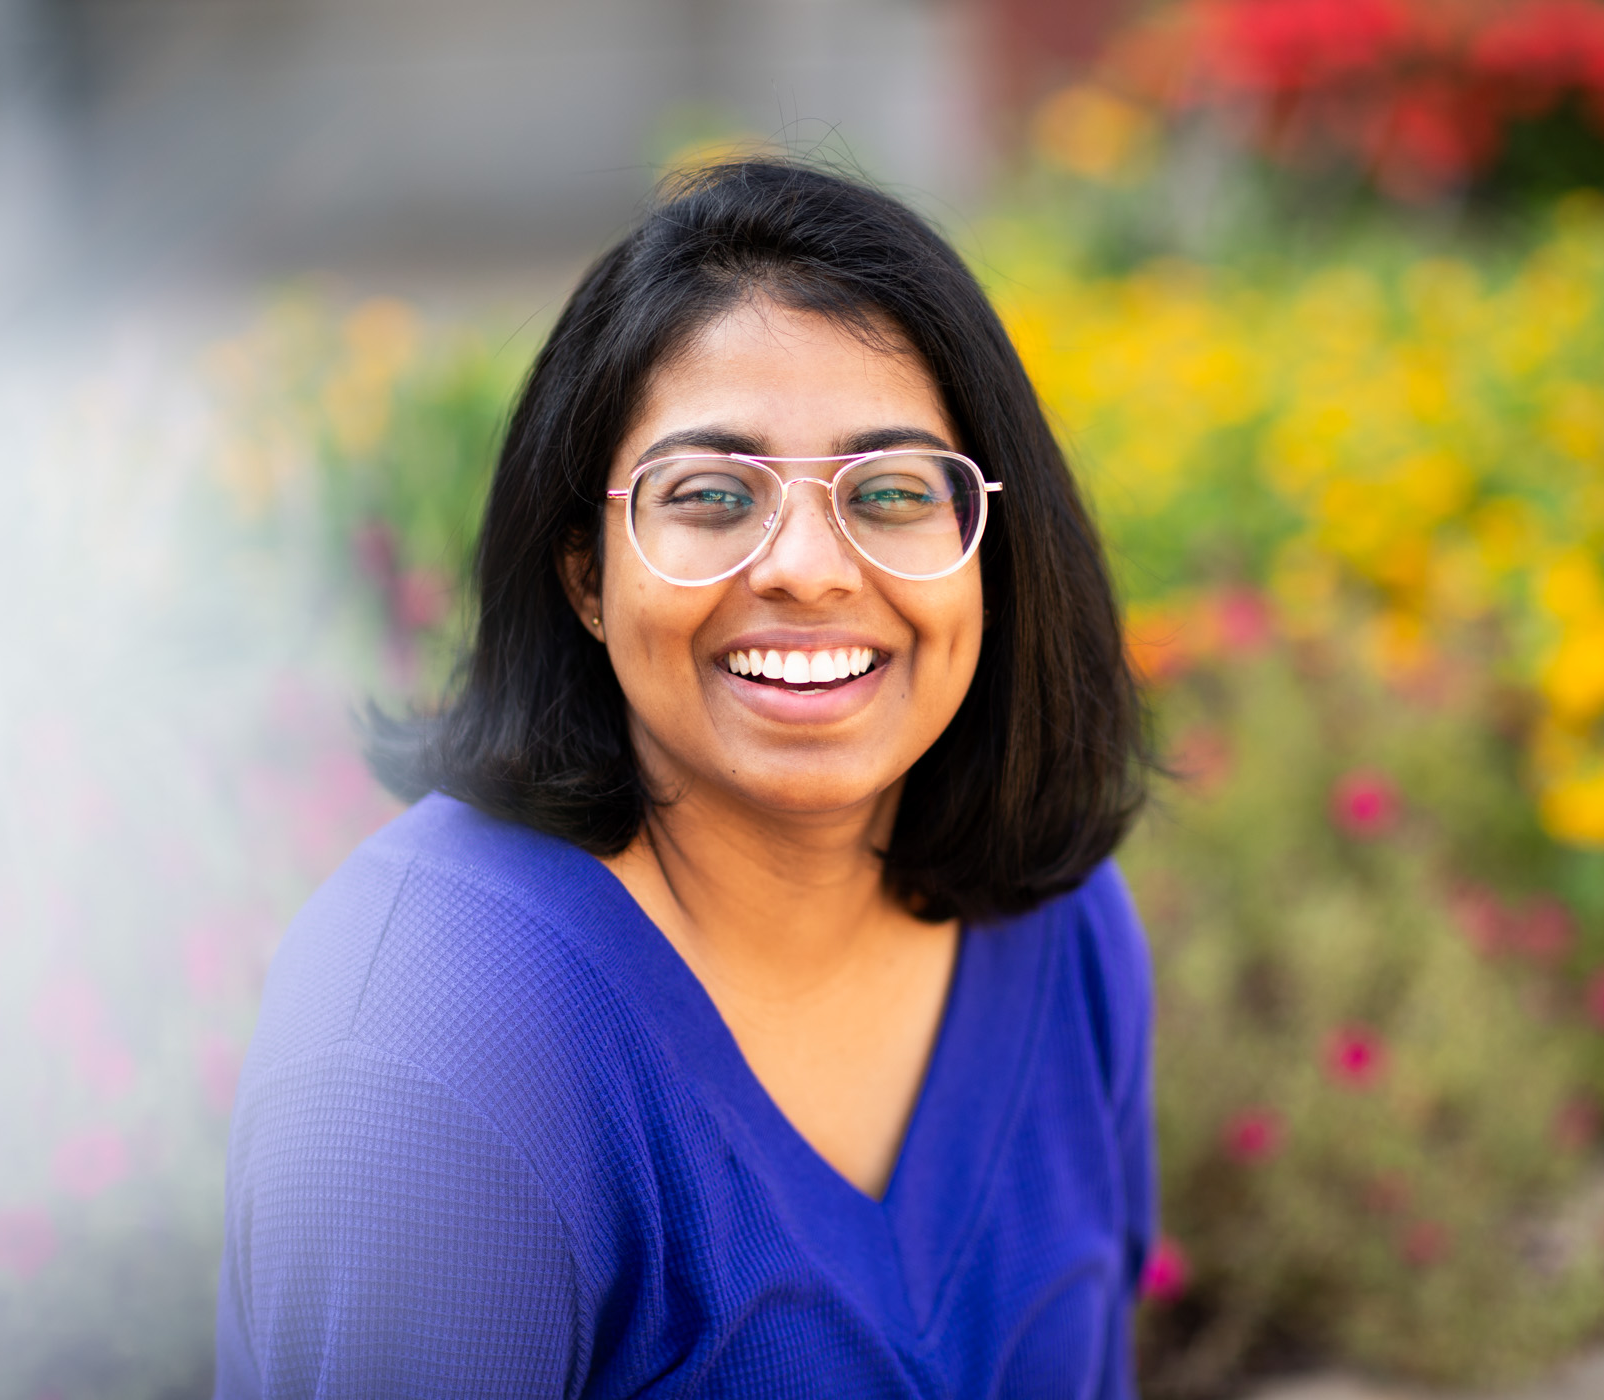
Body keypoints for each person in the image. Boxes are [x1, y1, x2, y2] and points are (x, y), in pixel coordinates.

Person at [211, 158, 1154, 1398]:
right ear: (585, 574)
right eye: (712, 495)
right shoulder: (429, 1039)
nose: (810, 568)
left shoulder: (1062, 923)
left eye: (889, 491)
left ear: (991, 557)